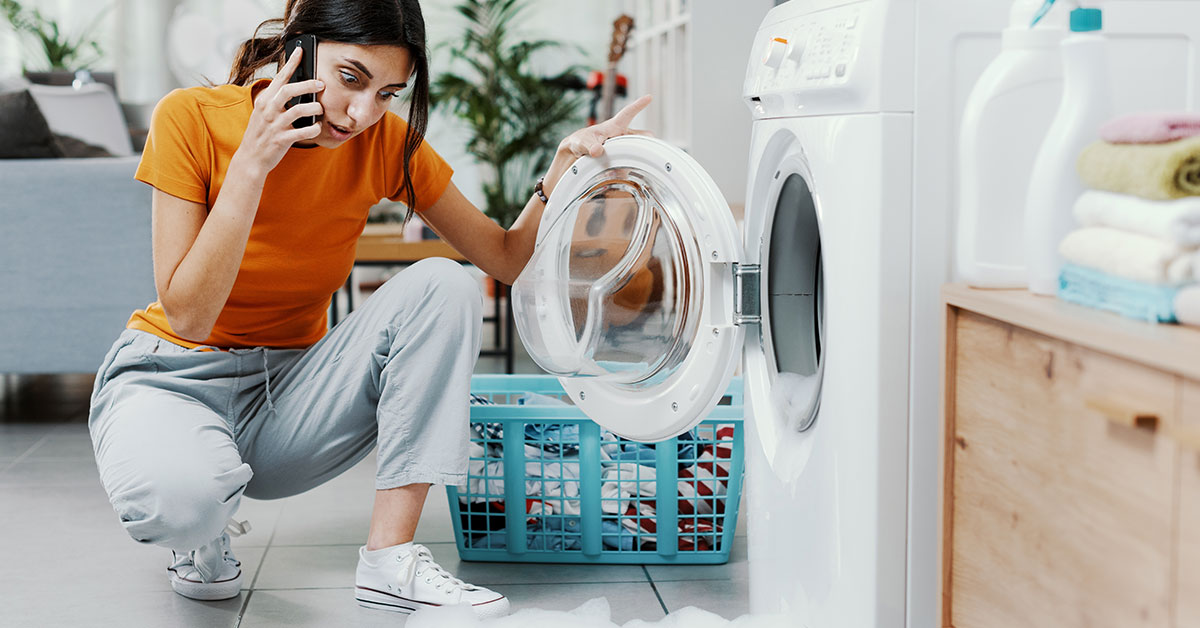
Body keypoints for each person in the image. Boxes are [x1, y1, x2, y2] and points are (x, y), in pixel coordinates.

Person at [87, 0, 650, 618]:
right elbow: (189, 316)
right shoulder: (191, 118)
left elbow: (507, 259)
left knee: (446, 285)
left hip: (287, 394)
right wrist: (253, 161)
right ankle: (202, 523)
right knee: (187, 506)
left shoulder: (384, 143)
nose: (361, 114)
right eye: (351, 78)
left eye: (387, 93)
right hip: (172, 377)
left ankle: (390, 560)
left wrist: (564, 166)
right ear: (299, 47)